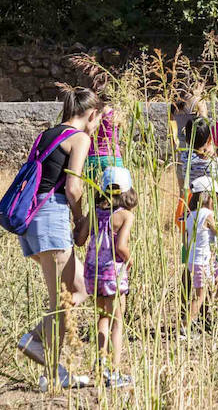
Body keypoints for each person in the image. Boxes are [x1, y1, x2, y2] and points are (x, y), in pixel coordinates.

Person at [14, 86, 101, 391]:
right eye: (97, 119)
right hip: (51, 218)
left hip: (33, 219)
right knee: (62, 301)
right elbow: (73, 188)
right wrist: (81, 222)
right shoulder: (80, 138)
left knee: (79, 288)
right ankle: (49, 369)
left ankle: (39, 344)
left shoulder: (47, 134)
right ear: (92, 114)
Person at [78, 166, 136, 390]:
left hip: (92, 273)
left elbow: (81, 240)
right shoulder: (126, 215)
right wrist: (130, 259)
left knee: (103, 317)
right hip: (113, 274)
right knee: (117, 323)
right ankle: (114, 371)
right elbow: (121, 246)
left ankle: (101, 361)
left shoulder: (95, 211)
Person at [182, 176, 218, 334]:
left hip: (194, 261)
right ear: (209, 197)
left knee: (216, 281)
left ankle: (217, 319)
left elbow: (186, 241)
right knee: (200, 296)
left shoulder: (190, 215)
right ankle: (185, 328)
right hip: (203, 261)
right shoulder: (208, 214)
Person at [84, 99, 124, 187]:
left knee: (90, 191)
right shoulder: (116, 114)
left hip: (92, 157)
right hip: (113, 157)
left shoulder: (90, 115)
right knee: (119, 190)